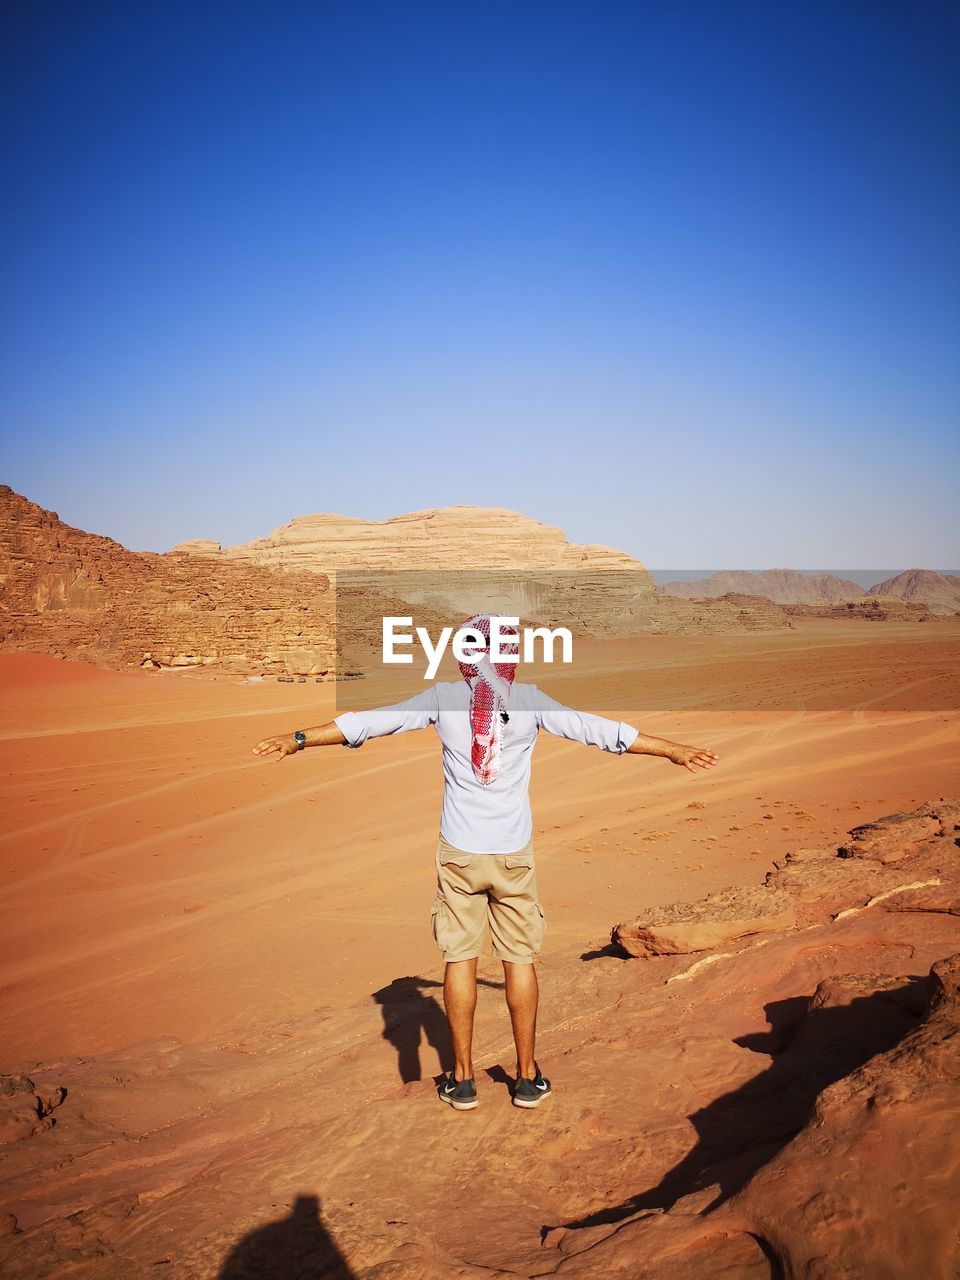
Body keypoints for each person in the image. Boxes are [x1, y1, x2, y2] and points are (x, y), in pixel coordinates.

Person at [252, 615, 717, 1111]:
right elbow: (599, 731)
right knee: (518, 959)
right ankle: (527, 1077)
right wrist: (671, 750)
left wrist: (298, 738)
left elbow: (369, 722)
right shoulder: (530, 700)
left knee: (459, 959)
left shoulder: (444, 698)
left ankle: (464, 1079)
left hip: (460, 853)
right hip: (513, 854)